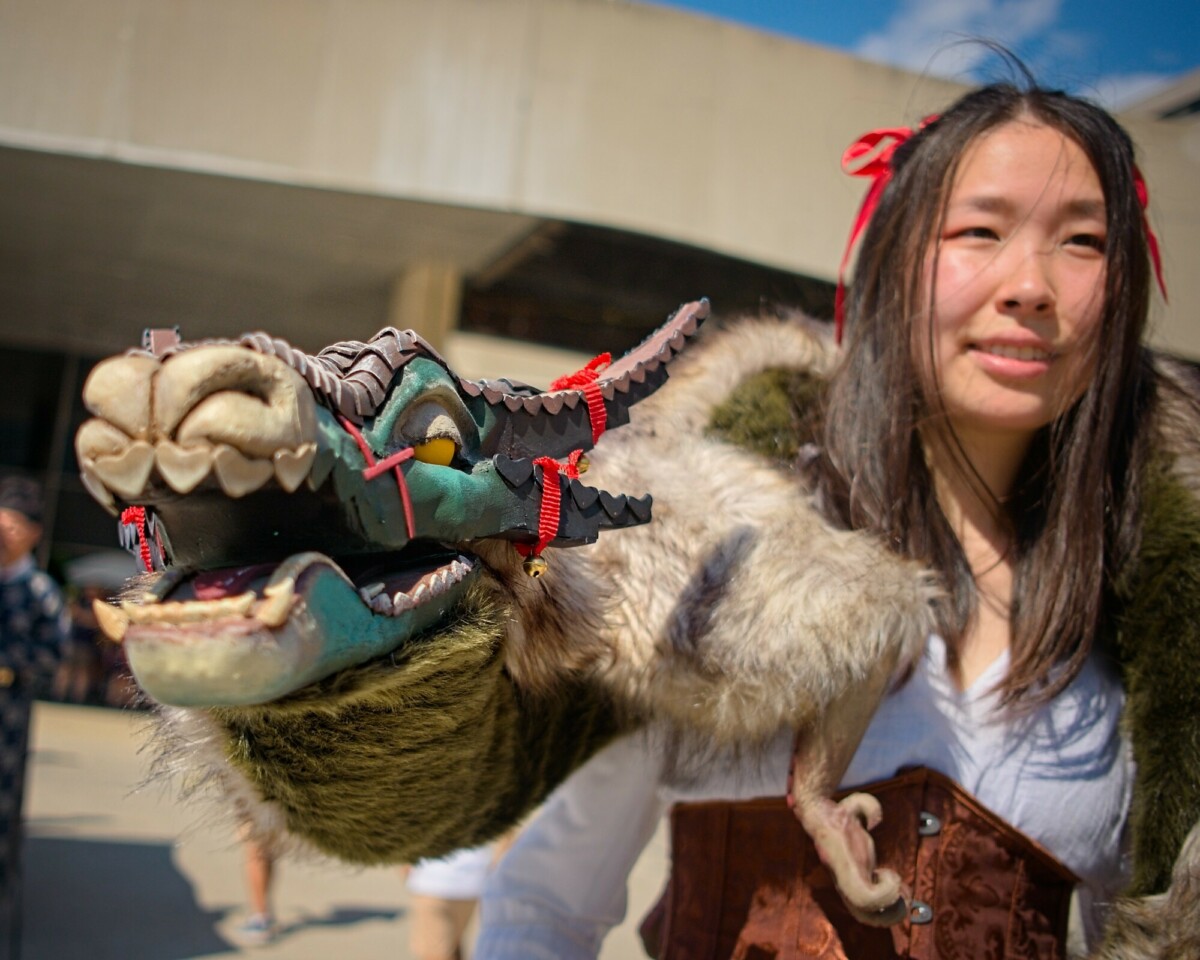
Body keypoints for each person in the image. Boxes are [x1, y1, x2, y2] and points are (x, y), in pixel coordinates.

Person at [474, 74, 1200, 958]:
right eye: (980, 229)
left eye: (1083, 241)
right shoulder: (704, 551)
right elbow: (544, 902)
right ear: (894, 264)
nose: (1032, 285)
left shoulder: (1154, 634)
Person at [0, 474, 70, 960]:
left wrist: (9, 661)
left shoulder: (41, 591)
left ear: (32, 533)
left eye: (11, 523)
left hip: (7, 726)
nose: (3, 531)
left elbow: (54, 654)